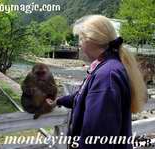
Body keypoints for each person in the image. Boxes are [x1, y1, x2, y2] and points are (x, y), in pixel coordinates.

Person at [46, 15, 147, 149]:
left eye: (80, 39)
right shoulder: (108, 67)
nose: (79, 45)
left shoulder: (106, 76)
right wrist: (59, 101)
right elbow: (84, 97)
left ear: (91, 40)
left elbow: (97, 138)